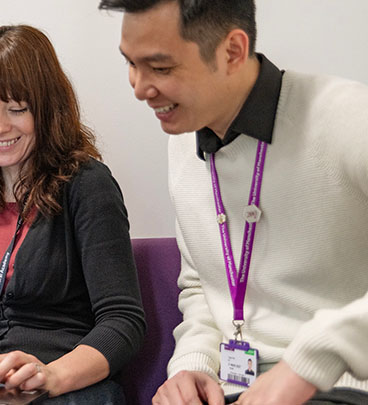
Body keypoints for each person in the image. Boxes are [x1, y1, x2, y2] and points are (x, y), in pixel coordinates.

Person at [98, 0, 368, 404]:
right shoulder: (183, 139)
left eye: (160, 67)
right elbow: (202, 287)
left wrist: (308, 363)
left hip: (344, 385)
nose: (139, 88)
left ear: (232, 51)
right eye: (130, 64)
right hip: (235, 389)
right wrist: (192, 366)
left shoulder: (349, 117)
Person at [0, 25, 145, 403]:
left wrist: (51, 376)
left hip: (64, 384)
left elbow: (123, 322)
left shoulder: (87, 185)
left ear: (47, 110)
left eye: (17, 109)